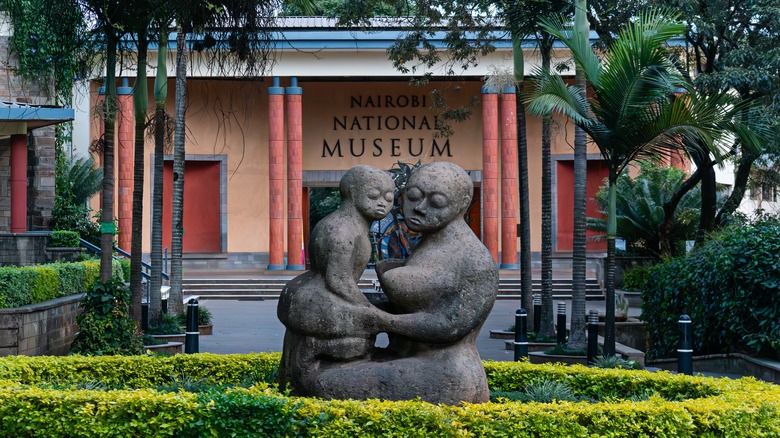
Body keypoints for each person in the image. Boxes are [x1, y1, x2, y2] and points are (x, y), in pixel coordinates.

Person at [309, 162, 498, 405]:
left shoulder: (474, 260)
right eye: (412, 197)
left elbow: (449, 325)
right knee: (320, 369)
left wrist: (378, 319)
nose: (419, 208)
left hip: (445, 368)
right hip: (402, 357)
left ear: (462, 204)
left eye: (436, 202)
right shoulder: (427, 243)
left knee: (323, 382)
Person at [276, 165, 395, 393]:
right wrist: (369, 309)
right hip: (320, 299)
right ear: (351, 192)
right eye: (373, 196)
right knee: (383, 320)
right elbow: (338, 279)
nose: (382, 203)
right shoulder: (342, 229)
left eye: (388, 198)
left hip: (320, 294)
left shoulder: (355, 227)